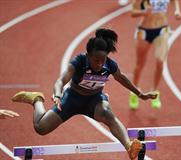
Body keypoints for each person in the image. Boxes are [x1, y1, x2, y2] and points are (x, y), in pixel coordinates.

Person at [12, 28, 157, 160]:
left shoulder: (109, 65)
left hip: (94, 101)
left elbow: (121, 78)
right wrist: (57, 95)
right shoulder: (79, 61)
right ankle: (36, 100)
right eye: (96, 60)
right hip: (72, 99)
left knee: (107, 113)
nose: (100, 64)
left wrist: (140, 94)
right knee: (40, 128)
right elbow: (60, 81)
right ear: (88, 55)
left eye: (103, 60)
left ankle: (129, 146)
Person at [129, 0, 181, 109]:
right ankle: (134, 92)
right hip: (144, 31)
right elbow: (133, 12)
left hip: (162, 30)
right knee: (140, 64)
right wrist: (143, 13)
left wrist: (177, 10)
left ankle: (154, 92)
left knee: (160, 61)